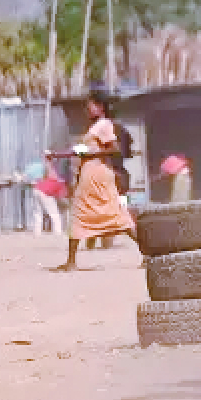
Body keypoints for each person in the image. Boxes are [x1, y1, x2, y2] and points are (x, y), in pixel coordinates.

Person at [47, 92, 136, 271]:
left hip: (99, 175)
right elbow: (85, 151)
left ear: (100, 107)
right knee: (82, 213)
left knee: (115, 216)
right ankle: (71, 261)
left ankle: (149, 252)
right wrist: (58, 155)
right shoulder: (95, 126)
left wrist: (88, 154)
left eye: (91, 105)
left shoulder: (104, 125)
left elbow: (114, 149)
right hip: (90, 174)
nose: (88, 108)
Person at [23, 160, 65, 235]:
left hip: (37, 189)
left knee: (38, 212)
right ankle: (58, 231)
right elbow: (61, 195)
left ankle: (37, 232)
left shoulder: (46, 174)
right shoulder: (59, 181)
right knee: (54, 213)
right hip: (45, 193)